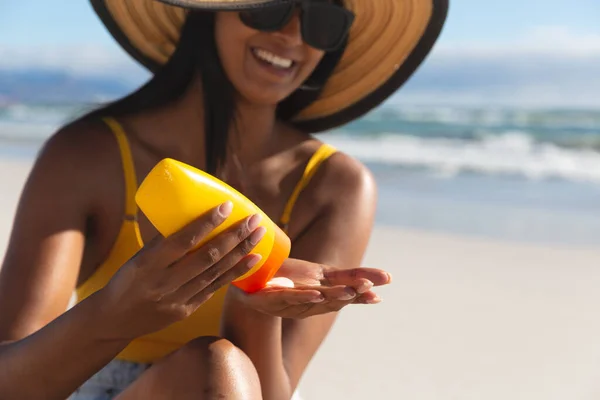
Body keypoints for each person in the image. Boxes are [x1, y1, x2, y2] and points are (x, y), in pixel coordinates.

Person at [0, 0, 448, 398]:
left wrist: (251, 305)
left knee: (218, 369)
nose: (292, 34)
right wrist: (117, 314)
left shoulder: (334, 187)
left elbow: (272, 395)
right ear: (206, 10)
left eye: (322, 19)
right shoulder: (87, 156)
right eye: (269, 6)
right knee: (214, 368)